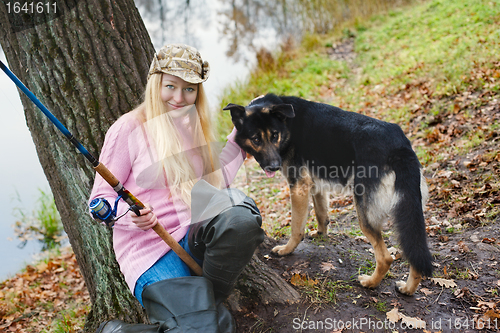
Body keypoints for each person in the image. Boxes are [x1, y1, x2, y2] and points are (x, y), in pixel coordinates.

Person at [89, 44, 265, 333]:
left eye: (189, 89)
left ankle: (207, 305)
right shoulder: (128, 128)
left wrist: (240, 134)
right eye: (171, 86)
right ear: (156, 82)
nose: (179, 98)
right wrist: (128, 217)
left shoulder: (192, 124)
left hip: (194, 234)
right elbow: (99, 201)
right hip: (150, 253)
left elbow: (214, 183)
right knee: (205, 330)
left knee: (240, 219)